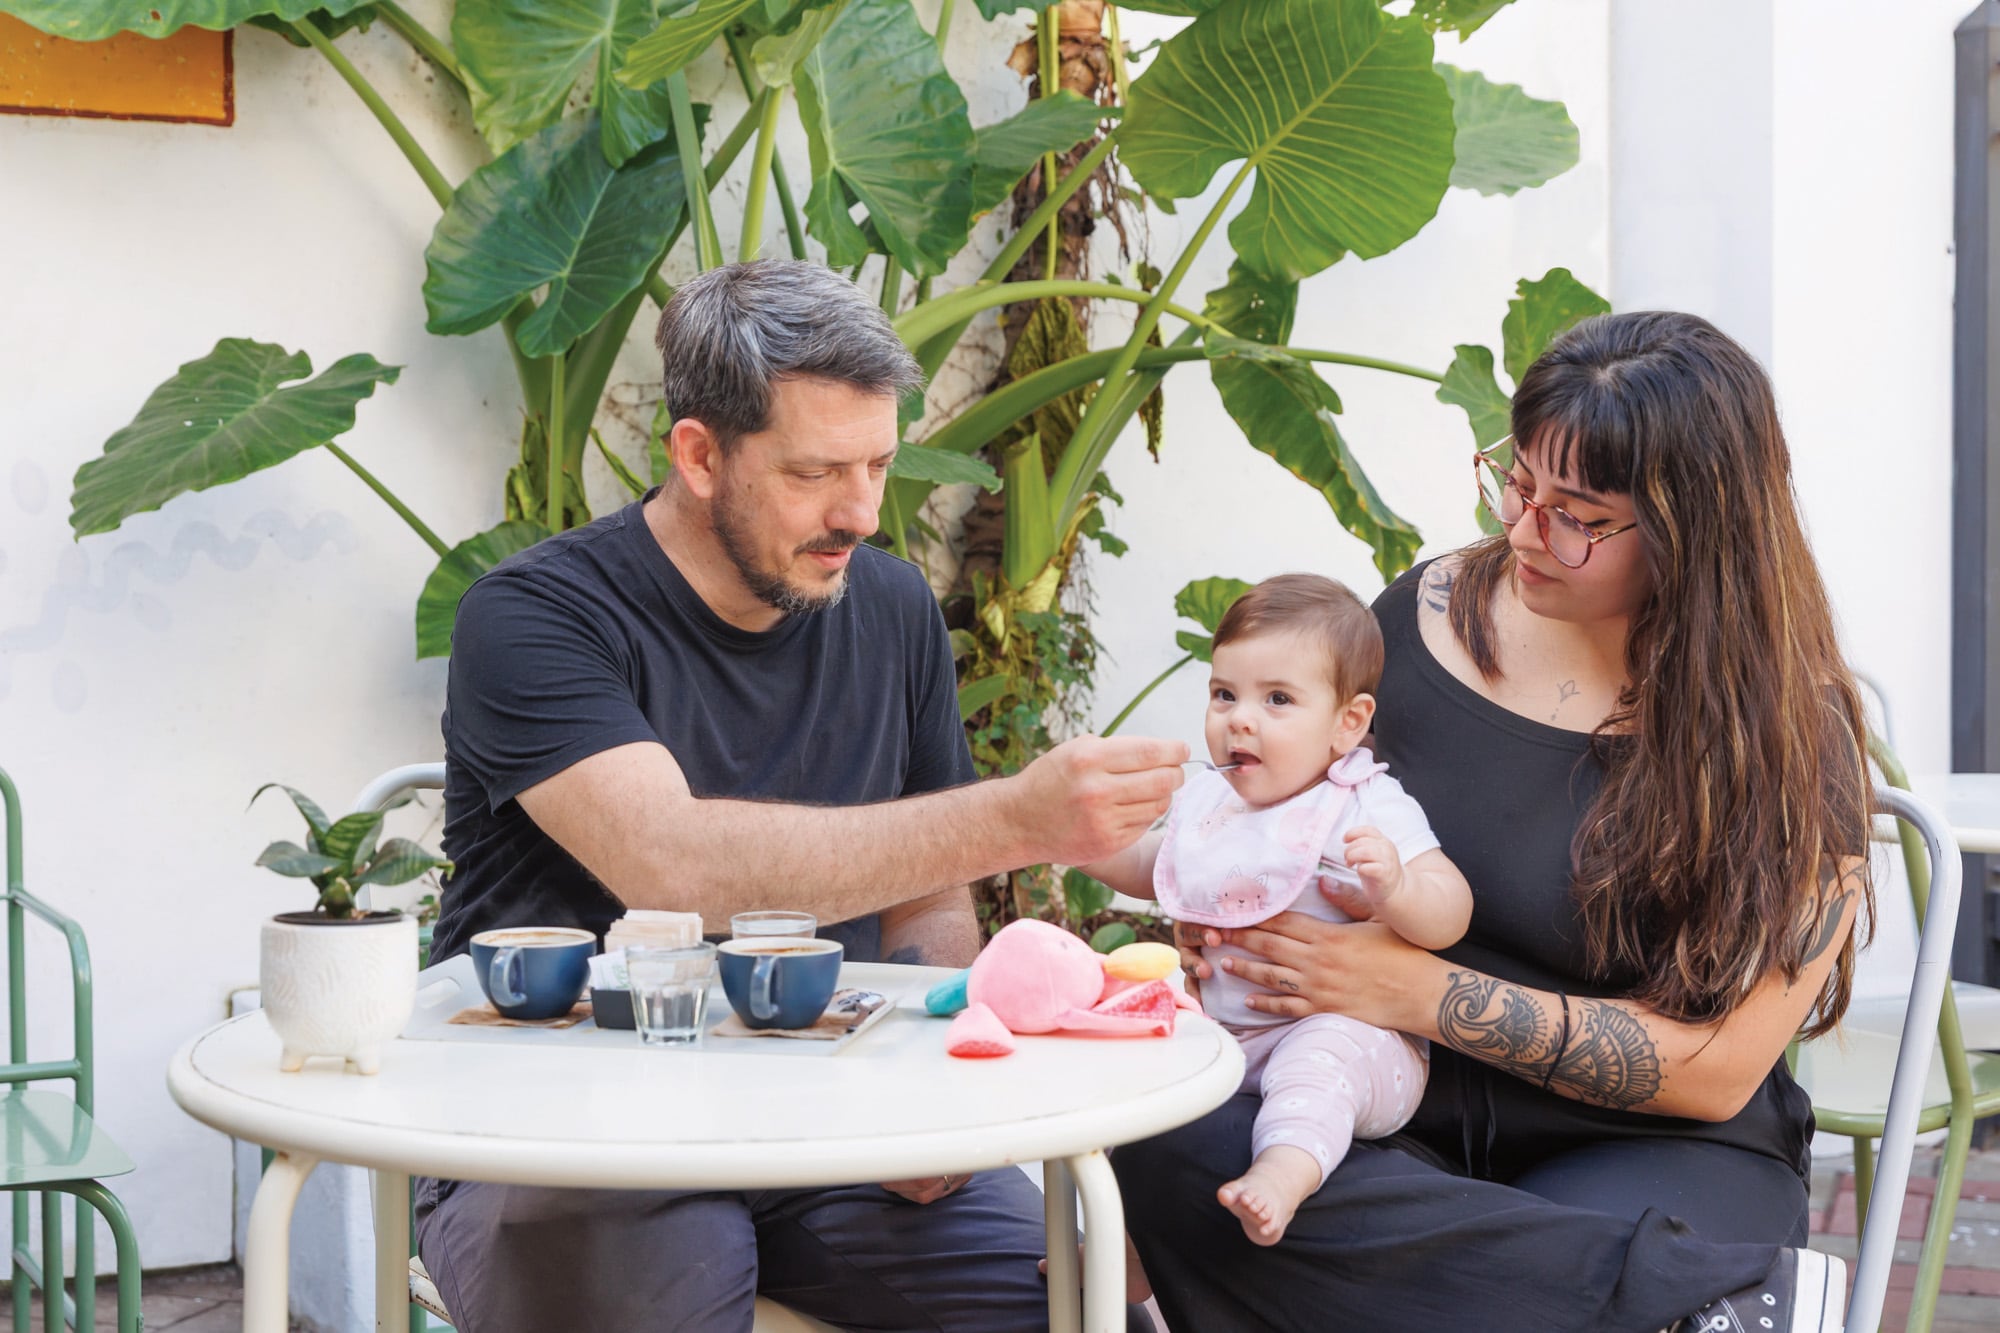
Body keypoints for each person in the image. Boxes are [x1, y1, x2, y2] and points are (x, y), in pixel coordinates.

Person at [417, 259, 1185, 1333]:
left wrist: (930, 1091)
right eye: (816, 472)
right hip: (568, 1133)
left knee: (1074, 1312)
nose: (860, 512)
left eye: (878, 464)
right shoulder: (536, 614)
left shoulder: (891, 606)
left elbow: (928, 897)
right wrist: (1017, 816)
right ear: (699, 455)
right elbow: (670, 861)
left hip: (837, 1120)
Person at [1115, 311, 1873, 1333]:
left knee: (1357, 1250)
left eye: (1577, 516)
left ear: (1690, 533)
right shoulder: (1422, 616)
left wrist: (1415, 988)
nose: (1521, 531)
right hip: (1381, 1096)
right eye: (1517, 483)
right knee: (1178, 1147)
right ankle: (1684, 1302)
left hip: (1653, 1144)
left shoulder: (1790, 735)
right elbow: (1287, 805)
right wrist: (1225, 907)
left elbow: (1719, 1070)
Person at [1079, 574, 1471, 1247]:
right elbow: (1153, 866)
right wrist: (1085, 843)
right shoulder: (1213, 801)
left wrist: (1397, 888)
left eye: (1278, 699)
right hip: (1225, 1030)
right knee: (1142, 1044)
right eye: (1224, 694)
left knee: (1317, 1063)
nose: (1240, 718)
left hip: (1354, 1040)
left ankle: (1285, 1173)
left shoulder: (1363, 802)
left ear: (1347, 723)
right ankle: (1128, 1246)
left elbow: (1451, 909)